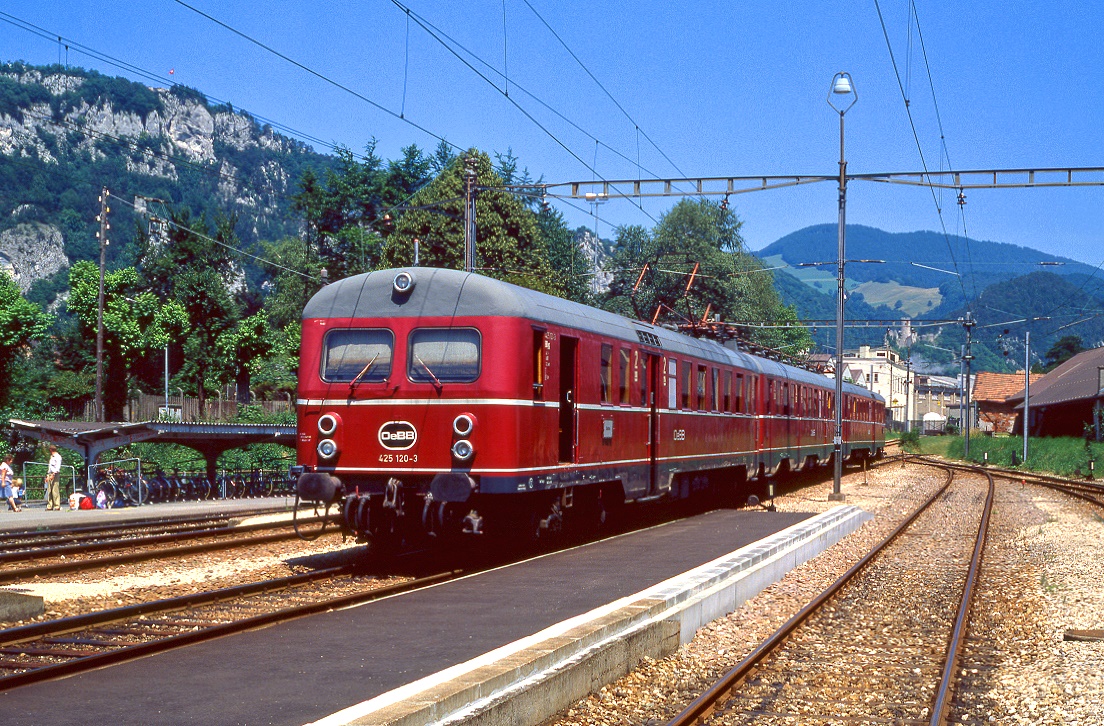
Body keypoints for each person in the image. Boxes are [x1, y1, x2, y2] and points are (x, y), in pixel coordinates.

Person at [45, 445, 62, 511]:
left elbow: (57, 467)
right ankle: (50, 505)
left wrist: (53, 474)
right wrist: (47, 476)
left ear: (51, 450)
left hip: (55, 474)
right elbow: (50, 468)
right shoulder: (51, 457)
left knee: (55, 490)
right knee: (49, 490)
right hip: (50, 474)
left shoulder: (57, 457)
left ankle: (57, 505)